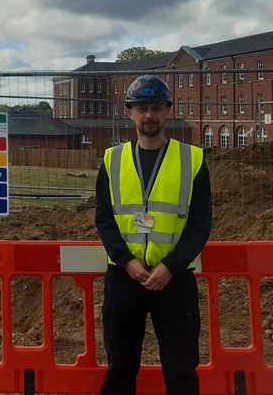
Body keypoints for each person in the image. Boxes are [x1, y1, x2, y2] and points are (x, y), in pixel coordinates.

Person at [95, 75, 211, 395]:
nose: (149, 115)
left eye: (156, 108)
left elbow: (200, 223)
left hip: (173, 280)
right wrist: (126, 261)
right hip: (124, 278)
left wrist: (170, 266)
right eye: (142, 108)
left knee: (181, 370)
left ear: (168, 111)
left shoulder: (193, 159)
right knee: (120, 365)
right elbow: (104, 218)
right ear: (129, 112)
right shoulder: (112, 159)